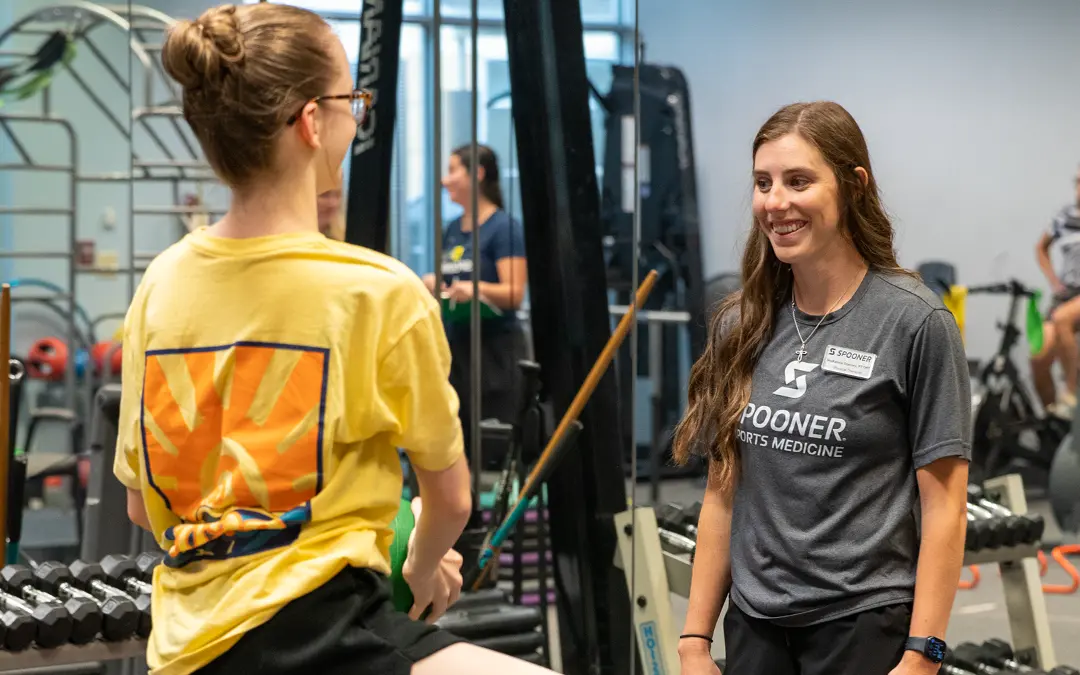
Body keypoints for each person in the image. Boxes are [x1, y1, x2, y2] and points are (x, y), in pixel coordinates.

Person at [113, 5, 554, 675]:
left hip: (181, 650)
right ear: (313, 120)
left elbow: (140, 506)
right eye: (355, 99)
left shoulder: (160, 285)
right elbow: (453, 501)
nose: (358, 114)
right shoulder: (377, 291)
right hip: (323, 636)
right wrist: (424, 563)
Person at [672, 101, 970, 675]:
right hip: (755, 622)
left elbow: (945, 508)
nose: (775, 202)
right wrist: (693, 641)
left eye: (798, 181)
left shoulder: (914, 322)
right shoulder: (743, 322)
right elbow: (721, 493)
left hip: (862, 623)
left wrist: (922, 655)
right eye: (763, 183)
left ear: (854, 185)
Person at [422, 145, 528, 459]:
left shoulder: (503, 227)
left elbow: (515, 293)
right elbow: (454, 283)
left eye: (453, 169)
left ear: (477, 174)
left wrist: (476, 289)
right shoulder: (453, 229)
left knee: (495, 446)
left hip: (494, 352)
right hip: (456, 346)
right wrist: (437, 285)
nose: (445, 179)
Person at [1030, 166, 1080, 415]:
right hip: (1067, 294)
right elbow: (1041, 247)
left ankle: (1070, 395)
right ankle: (1053, 420)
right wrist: (1053, 280)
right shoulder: (1065, 216)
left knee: (1062, 319)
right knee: (1038, 356)